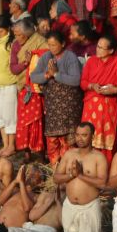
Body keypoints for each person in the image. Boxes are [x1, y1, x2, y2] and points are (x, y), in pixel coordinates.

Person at [54, 122, 108, 232]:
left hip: (89, 207)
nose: (80, 138)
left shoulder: (99, 157)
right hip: (70, 206)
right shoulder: (69, 154)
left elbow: (102, 183)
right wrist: (72, 175)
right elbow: (56, 178)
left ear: (93, 136)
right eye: (77, 135)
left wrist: (81, 175)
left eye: (84, 135)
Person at [29, 31, 83, 164]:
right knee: (52, 138)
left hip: (68, 106)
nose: (51, 48)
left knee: (68, 140)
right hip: (52, 106)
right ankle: (54, 169)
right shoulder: (46, 56)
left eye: (54, 45)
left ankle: (68, 167)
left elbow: (76, 80)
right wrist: (46, 75)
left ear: (63, 44)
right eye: (49, 45)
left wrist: (56, 75)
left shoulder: (70, 57)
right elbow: (34, 76)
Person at [80, 35, 117, 163]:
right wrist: (92, 86)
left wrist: (114, 90)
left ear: (111, 50)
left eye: (101, 48)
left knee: (107, 140)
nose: (97, 49)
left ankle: (106, 167)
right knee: (89, 136)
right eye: (97, 46)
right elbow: (83, 82)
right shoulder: (91, 61)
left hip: (109, 107)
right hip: (91, 106)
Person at [11, 18, 47, 157]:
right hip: (23, 88)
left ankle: (39, 152)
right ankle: (26, 152)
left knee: (37, 120)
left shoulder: (40, 41)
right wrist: (25, 63)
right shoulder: (15, 45)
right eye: (15, 34)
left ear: (27, 34)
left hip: (37, 88)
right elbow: (13, 69)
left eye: (19, 35)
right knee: (24, 121)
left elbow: (47, 59)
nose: (17, 37)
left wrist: (35, 57)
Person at [0, 15, 21, 156]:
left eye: (1, 31)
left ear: (8, 29)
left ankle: (11, 145)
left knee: (10, 117)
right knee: (0, 117)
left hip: (8, 84)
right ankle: (5, 144)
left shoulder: (13, 43)